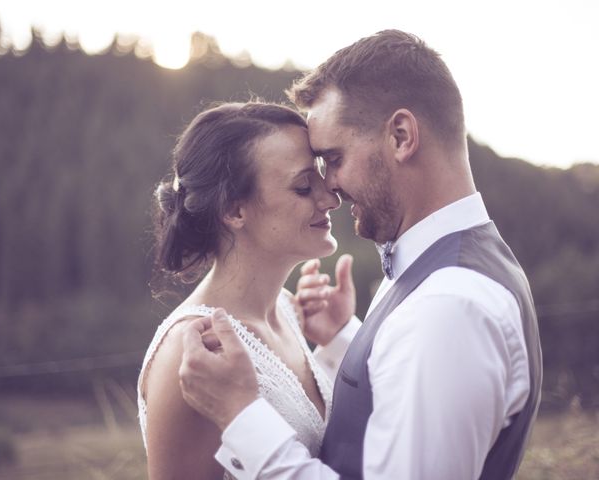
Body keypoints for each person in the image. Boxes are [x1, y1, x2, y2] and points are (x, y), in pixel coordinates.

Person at [179, 30, 543, 479]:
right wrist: (344, 340)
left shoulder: (446, 308)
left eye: (334, 158)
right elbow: (409, 384)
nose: (328, 186)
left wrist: (241, 416)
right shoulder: (445, 269)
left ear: (402, 136)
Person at [137, 101, 345, 479]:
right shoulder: (195, 352)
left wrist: (335, 345)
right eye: (303, 187)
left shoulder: (287, 309)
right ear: (234, 212)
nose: (331, 198)